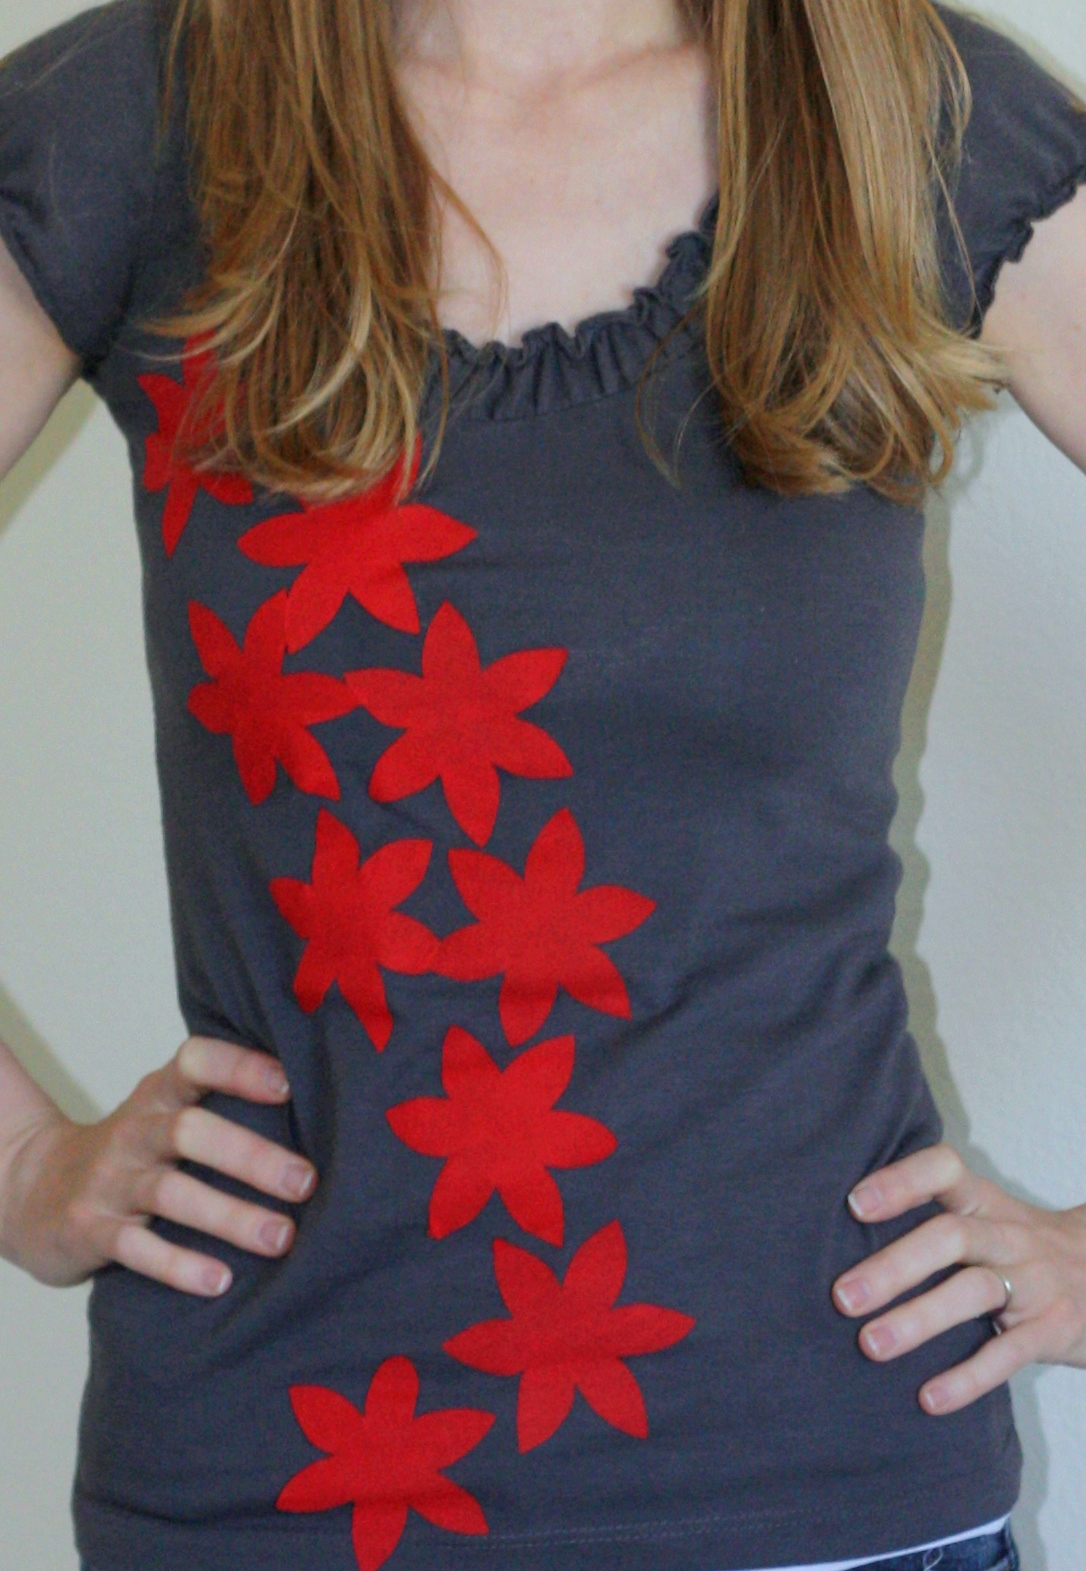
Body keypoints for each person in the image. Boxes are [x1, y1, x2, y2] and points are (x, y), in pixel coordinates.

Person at [0, 0, 1085, 1568]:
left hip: (826, 1478)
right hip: (274, 1485)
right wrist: (24, 1165)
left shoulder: (906, 116)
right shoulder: (138, 112)